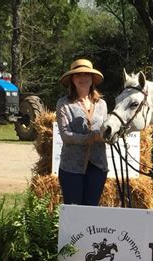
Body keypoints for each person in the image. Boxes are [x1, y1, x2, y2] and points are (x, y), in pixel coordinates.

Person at [56, 59, 108, 206]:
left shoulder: (102, 104)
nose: (83, 78)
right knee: (73, 211)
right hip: (72, 167)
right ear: (72, 79)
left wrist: (107, 136)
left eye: (86, 75)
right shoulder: (64, 104)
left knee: (91, 210)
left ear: (92, 79)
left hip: (98, 165)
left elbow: (105, 130)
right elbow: (66, 135)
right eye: (78, 75)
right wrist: (91, 138)